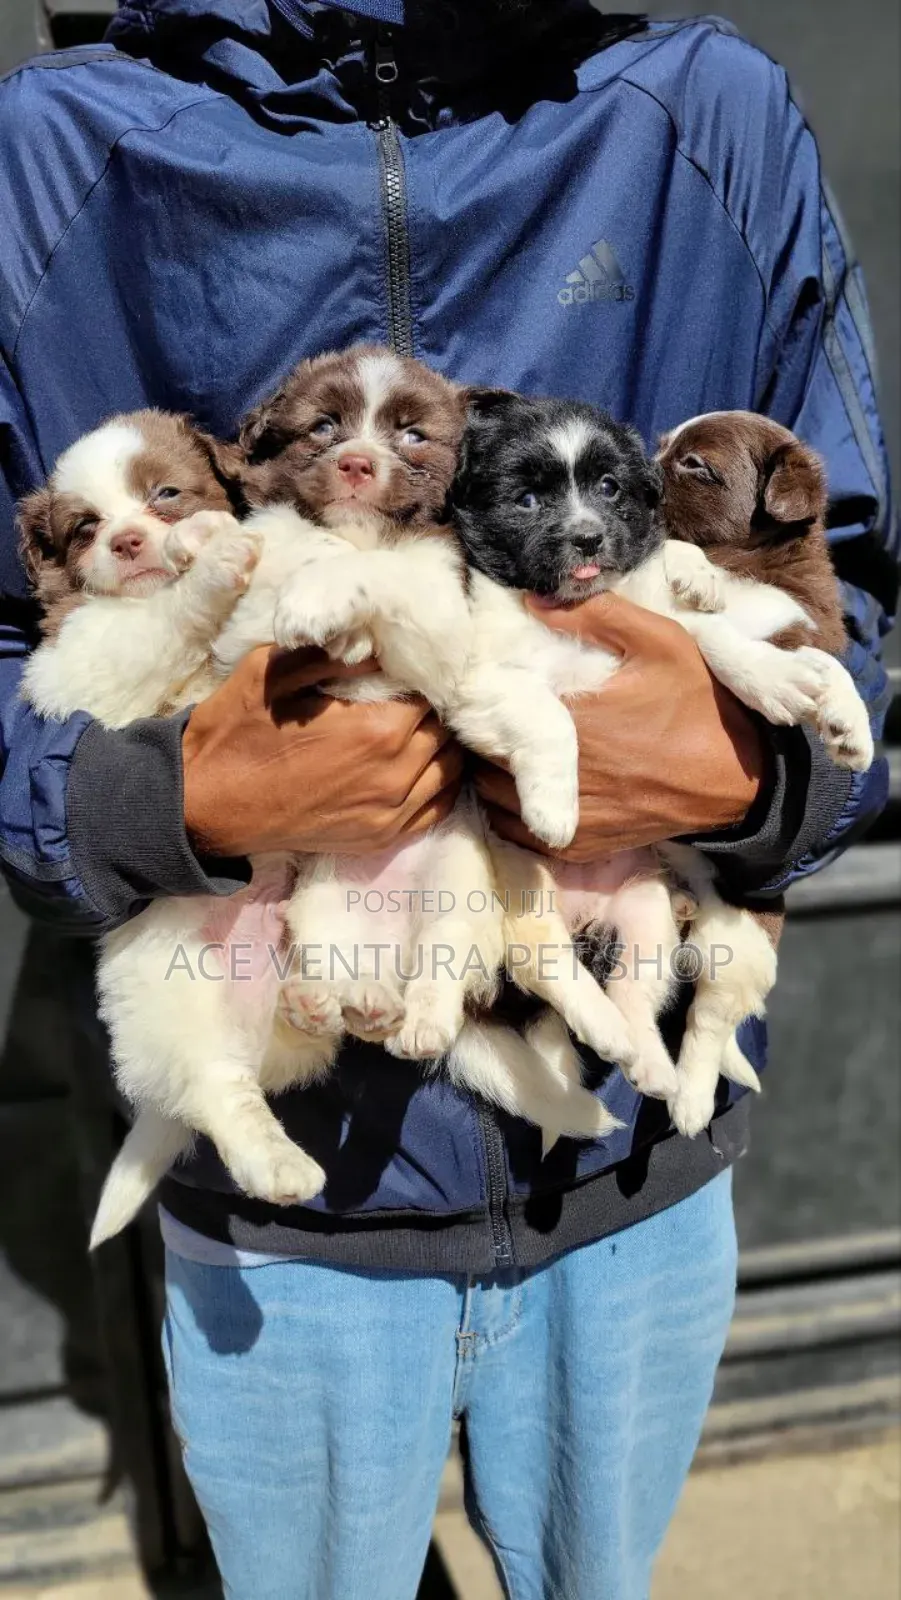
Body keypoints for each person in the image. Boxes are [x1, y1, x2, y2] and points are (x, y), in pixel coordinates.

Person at [0, 2, 895, 1595]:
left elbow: (854, 585)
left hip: (627, 1166)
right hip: (290, 1180)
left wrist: (749, 777)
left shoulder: (704, 112)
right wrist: (165, 794)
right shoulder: (63, 153)